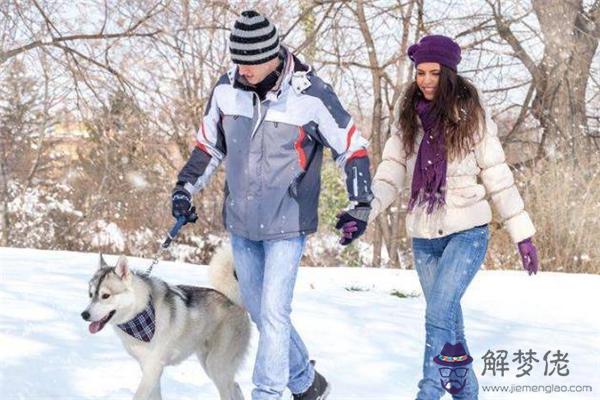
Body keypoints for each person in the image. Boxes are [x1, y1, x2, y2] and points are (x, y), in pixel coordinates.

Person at [171, 10, 373, 400]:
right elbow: (209, 145)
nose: (241, 70)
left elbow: (352, 146)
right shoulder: (226, 90)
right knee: (262, 314)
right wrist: (184, 188)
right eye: (237, 61)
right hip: (242, 223)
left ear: (273, 55)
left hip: (287, 221)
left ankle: (268, 393)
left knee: (275, 314)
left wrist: (360, 201)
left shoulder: (311, 95)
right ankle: (305, 383)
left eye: (249, 63)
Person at [346, 35, 539, 399]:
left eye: (435, 72)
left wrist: (522, 233)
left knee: (438, 315)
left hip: (467, 231)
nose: (427, 80)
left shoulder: (471, 113)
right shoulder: (407, 114)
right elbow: (391, 173)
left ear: (449, 73)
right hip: (424, 234)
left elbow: (497, 173)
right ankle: (467, 394)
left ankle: (428, 392)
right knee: (450, 324)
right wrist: (364, 211)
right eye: (420, 72)